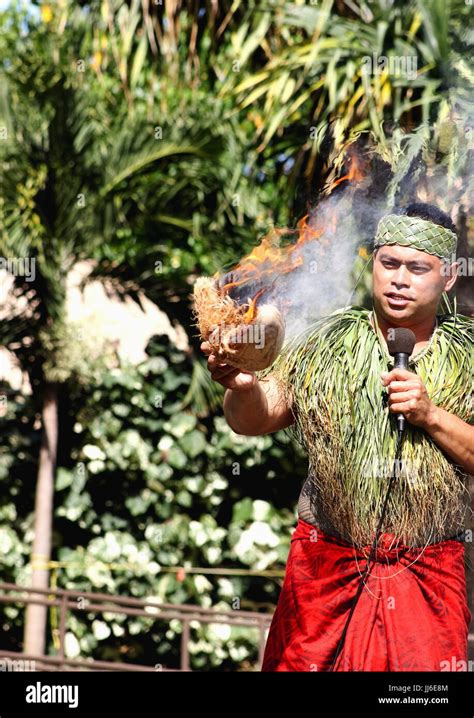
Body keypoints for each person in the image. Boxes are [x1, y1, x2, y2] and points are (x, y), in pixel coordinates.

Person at [201, 203, 473, 671]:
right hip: (325, 568)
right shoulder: (326, 343)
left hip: (425, 574)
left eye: (418, 268)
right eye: (389, 264)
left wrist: (430, 415)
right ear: (374, 264)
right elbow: (254, 419)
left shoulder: (468, 357)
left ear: (447, 277)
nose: (399, 279)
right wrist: (242, 385)